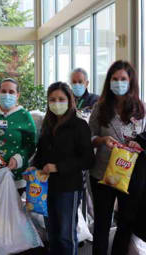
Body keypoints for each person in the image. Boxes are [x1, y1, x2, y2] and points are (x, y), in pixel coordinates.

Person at [88, 60, 146, 255]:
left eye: (123, 79)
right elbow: (89, 138)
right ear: (109, 82)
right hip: (102, 174)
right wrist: (101, 140)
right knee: (102, 223)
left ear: (131, 81)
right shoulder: (100, 107)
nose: (118, 83)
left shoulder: (143, 109)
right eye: (114, 79)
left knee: (126, 223)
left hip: (131, 175)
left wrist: (140, 145)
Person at [28, 82, 95, 255]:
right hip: (45, 187)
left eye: (61, 99)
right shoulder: (47, 125)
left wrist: (58, 167)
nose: (56, 103)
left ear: (70, 100)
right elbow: (41, 153)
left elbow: (87, 159)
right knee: (52, 233)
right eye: (52, 99)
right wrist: (33, 167)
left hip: (68, 188)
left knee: (66, 235)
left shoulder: (79, 126)